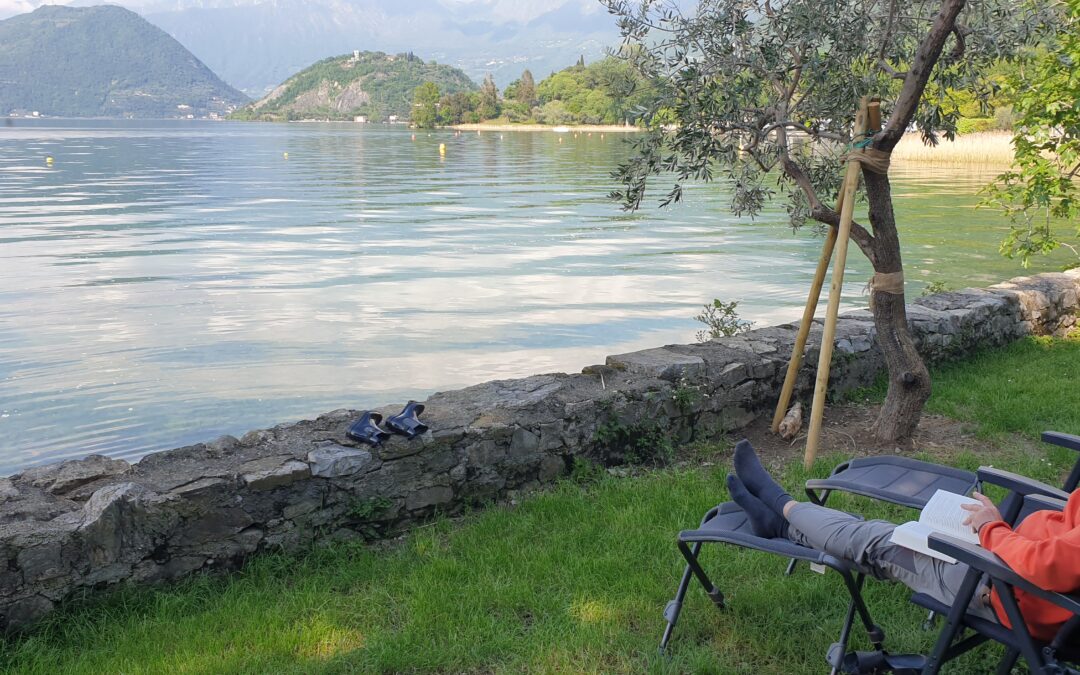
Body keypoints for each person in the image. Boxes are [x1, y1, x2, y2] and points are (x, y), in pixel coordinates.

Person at [727, 439, 1080, 642]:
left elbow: (1045, 566)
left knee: (875, 540)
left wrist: (992, 530)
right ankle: (777, 523)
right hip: (1004, 562)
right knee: (877, 534)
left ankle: (778, 504)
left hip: (993, 584)